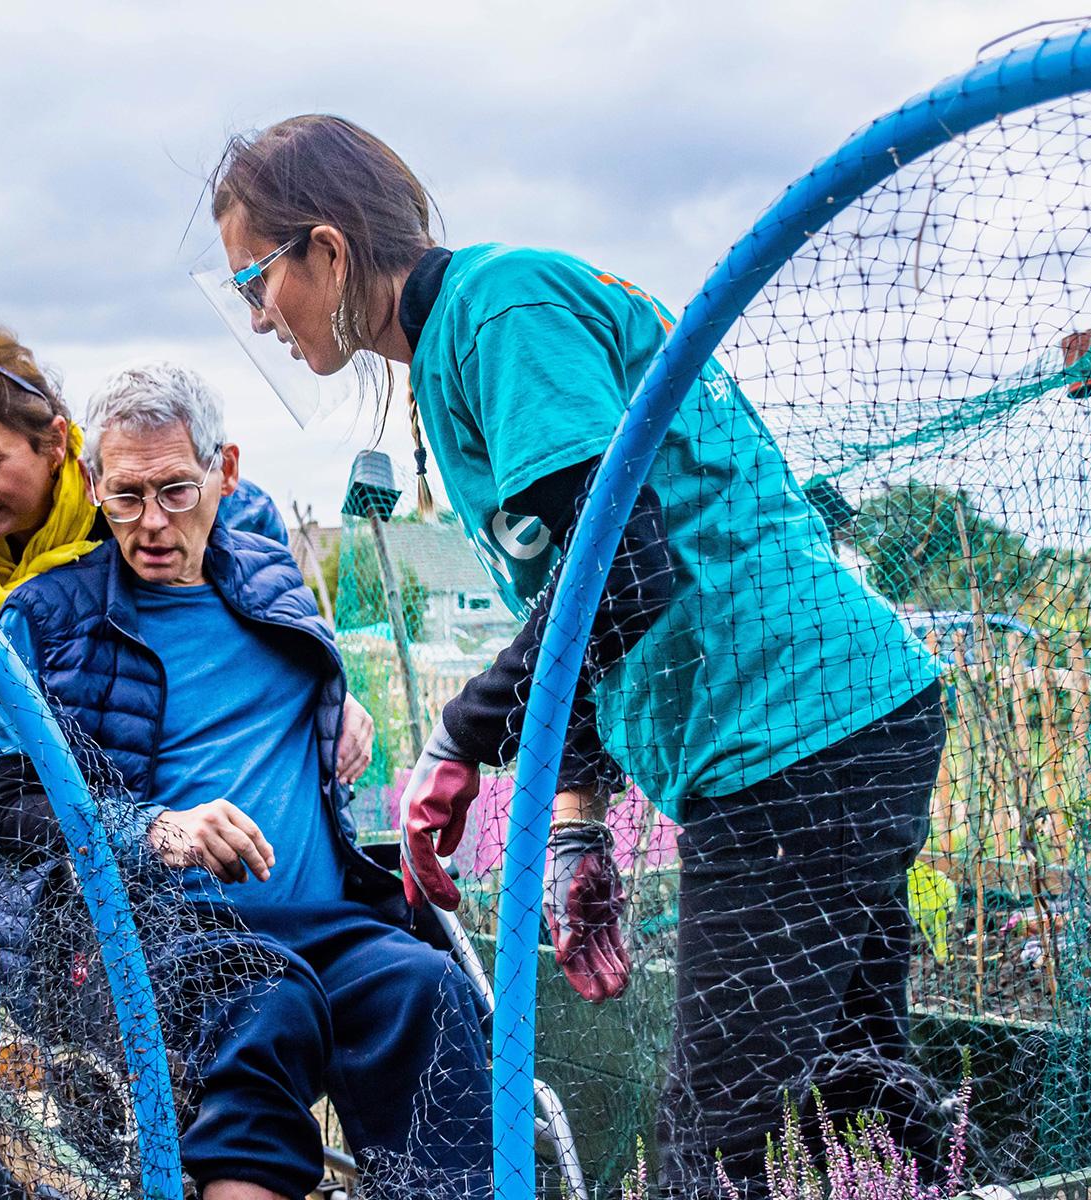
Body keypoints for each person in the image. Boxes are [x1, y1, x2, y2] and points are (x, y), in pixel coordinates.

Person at [206, 115, 947, 1190]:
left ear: (325, 248)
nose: (257, 317)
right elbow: (583, 614)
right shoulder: (461, 346)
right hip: (828, 728)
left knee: (712, 1137)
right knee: (852, 1081)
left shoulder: (503, 313)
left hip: (798, 733)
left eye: (255, 282)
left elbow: (626, 575)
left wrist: (459, 737)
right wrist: (574, 825)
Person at [0, 361, 489, 1200]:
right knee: (269, 1009)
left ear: (224, 471)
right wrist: (154, 830)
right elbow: (7, 813)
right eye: (126, 496)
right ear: (90, 482)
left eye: (176, 491)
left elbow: (305, 676)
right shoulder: (46, 616)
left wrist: (343, 703)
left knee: (423, 986)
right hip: (168, 939)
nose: (150, 523)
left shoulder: (269, 572)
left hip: (324, 922)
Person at [0, 323, 371, 777]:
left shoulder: (123, 493)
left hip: (125, 708)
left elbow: (255, 550)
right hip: (27, 724)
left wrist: (322, 685)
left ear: (54, 443)